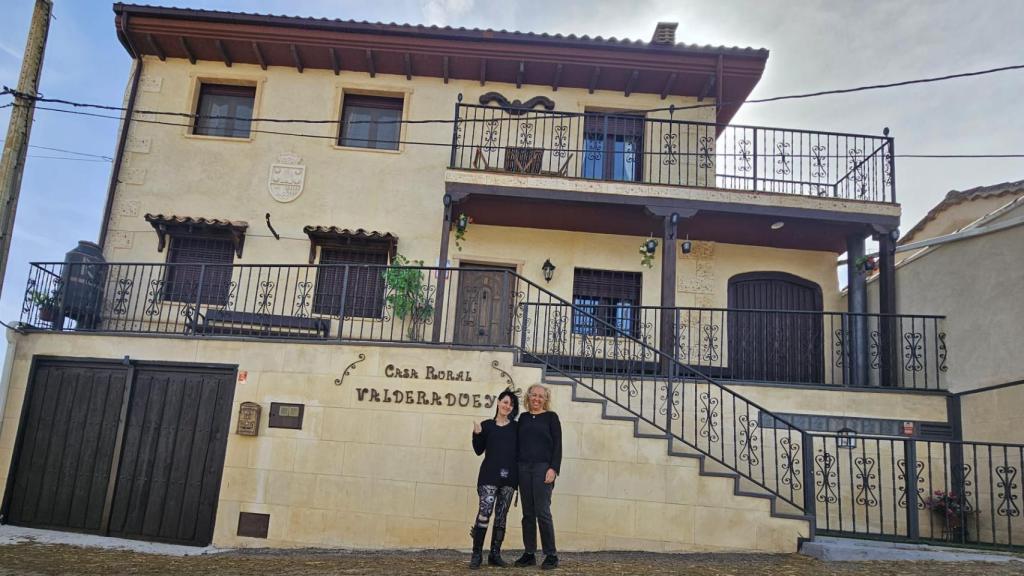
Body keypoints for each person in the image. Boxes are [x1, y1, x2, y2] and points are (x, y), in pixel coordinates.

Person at [469, 387, 520, 569]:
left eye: (511, 404)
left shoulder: (516, 427)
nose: (508, 406)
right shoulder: (487, 426)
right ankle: (476, 555)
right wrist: (476, 433)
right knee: (484, 513)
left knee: (501, 516)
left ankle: (494, 554)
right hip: (489, 476)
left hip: (510, 478)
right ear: (498, 402)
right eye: (505, 402)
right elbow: (478, 450)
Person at [514, 383, 561, 570]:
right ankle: (529, 553)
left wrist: (553, 469)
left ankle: (551, 555)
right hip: (523, 468)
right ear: (528, 397)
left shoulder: (551, 417)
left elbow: (558, 445)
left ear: (545, 399)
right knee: (527, 513)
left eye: (541, 396)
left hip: (543, 469)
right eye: (534, 395)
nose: (537, 399)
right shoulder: (523, 418)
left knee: (543, 512)